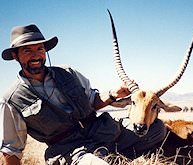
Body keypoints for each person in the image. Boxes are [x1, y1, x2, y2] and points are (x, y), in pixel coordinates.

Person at [0, 24, 167, 165]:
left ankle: (115, 157)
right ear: (15, 56)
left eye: (40, 48)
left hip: (102, 132)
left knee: (158, 129)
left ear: (45, 51)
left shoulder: (68, 72)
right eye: (27, 50)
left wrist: (112, 94)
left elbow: (92, 101)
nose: (36, 55)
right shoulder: (11, 100)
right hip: (71, 149)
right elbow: (12, 150)